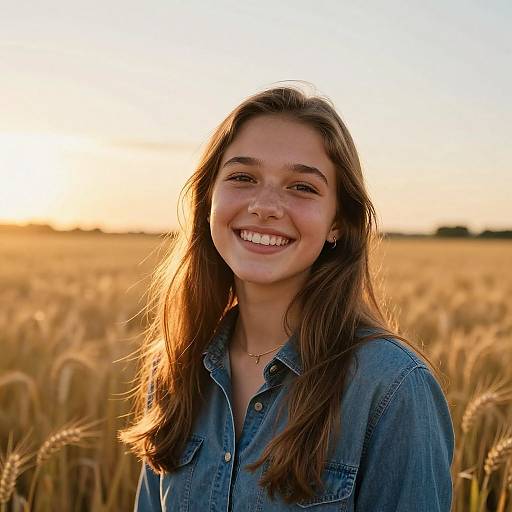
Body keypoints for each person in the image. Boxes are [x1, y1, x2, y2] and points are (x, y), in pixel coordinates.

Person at [119, 84, 454, 511]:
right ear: (208, 201)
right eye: (243, 177)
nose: (265, 206)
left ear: (337, 223)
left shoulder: (391, 389)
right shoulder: (174, 367)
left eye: (301, 187)